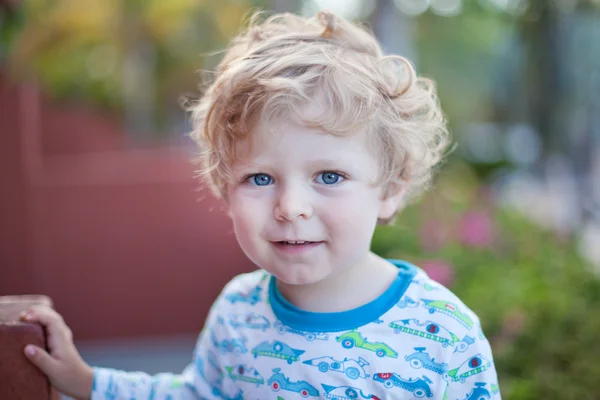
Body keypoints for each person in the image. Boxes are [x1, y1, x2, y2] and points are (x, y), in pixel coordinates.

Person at [20, 10, 501, 400]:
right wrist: (84, 381)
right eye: (260, 178)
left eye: (329, 176)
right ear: (224, 188)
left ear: (391, 187)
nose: (291, 207)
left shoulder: (442, 334)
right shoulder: (238, 315)